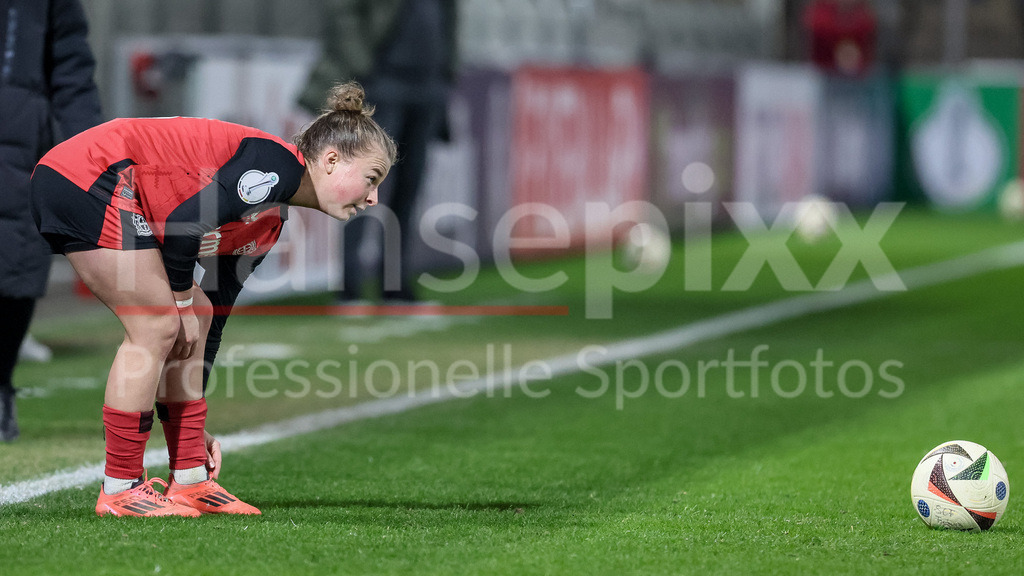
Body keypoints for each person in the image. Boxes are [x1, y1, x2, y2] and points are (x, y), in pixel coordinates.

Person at [30, 81, 397, 517]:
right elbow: (184, 225)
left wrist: (190, 428)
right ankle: (120, 488)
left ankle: (189, 478)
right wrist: (181, 305)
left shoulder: (270, 220)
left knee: (198, 316)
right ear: (332, 160)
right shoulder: (274, 167)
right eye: (371, 179)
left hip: (102, 180)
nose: (373, 198)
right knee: (158, 324)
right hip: (87, 174)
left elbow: (214, 318)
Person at [298, 0, 457, 303]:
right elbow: (342, 12)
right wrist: (362, 64)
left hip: (428, 86)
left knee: (409, 188)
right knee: (362, 185)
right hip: (383, 81)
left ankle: (395, 282)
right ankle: (350, 284)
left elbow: (450, 20)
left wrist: (447, 69)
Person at [0, 0, 102, 442]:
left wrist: (96, 151)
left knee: (18, 264)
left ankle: (0, 384)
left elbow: (73, 69)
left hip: (21, 143)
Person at [802, 0, 878, 76]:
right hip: (821, 71)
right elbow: (814, 24)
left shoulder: (864, 16)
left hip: (859, 74)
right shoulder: (820, 13)